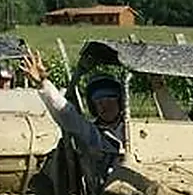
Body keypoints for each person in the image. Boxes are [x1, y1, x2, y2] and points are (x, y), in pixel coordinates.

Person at [18, 48, 126, 178]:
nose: (105, 104)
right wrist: (43, 84)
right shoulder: (91, 133)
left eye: (110, 97)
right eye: (99, 98)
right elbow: (66, 113)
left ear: (120, 100)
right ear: (93, 105)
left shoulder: (135, 131)